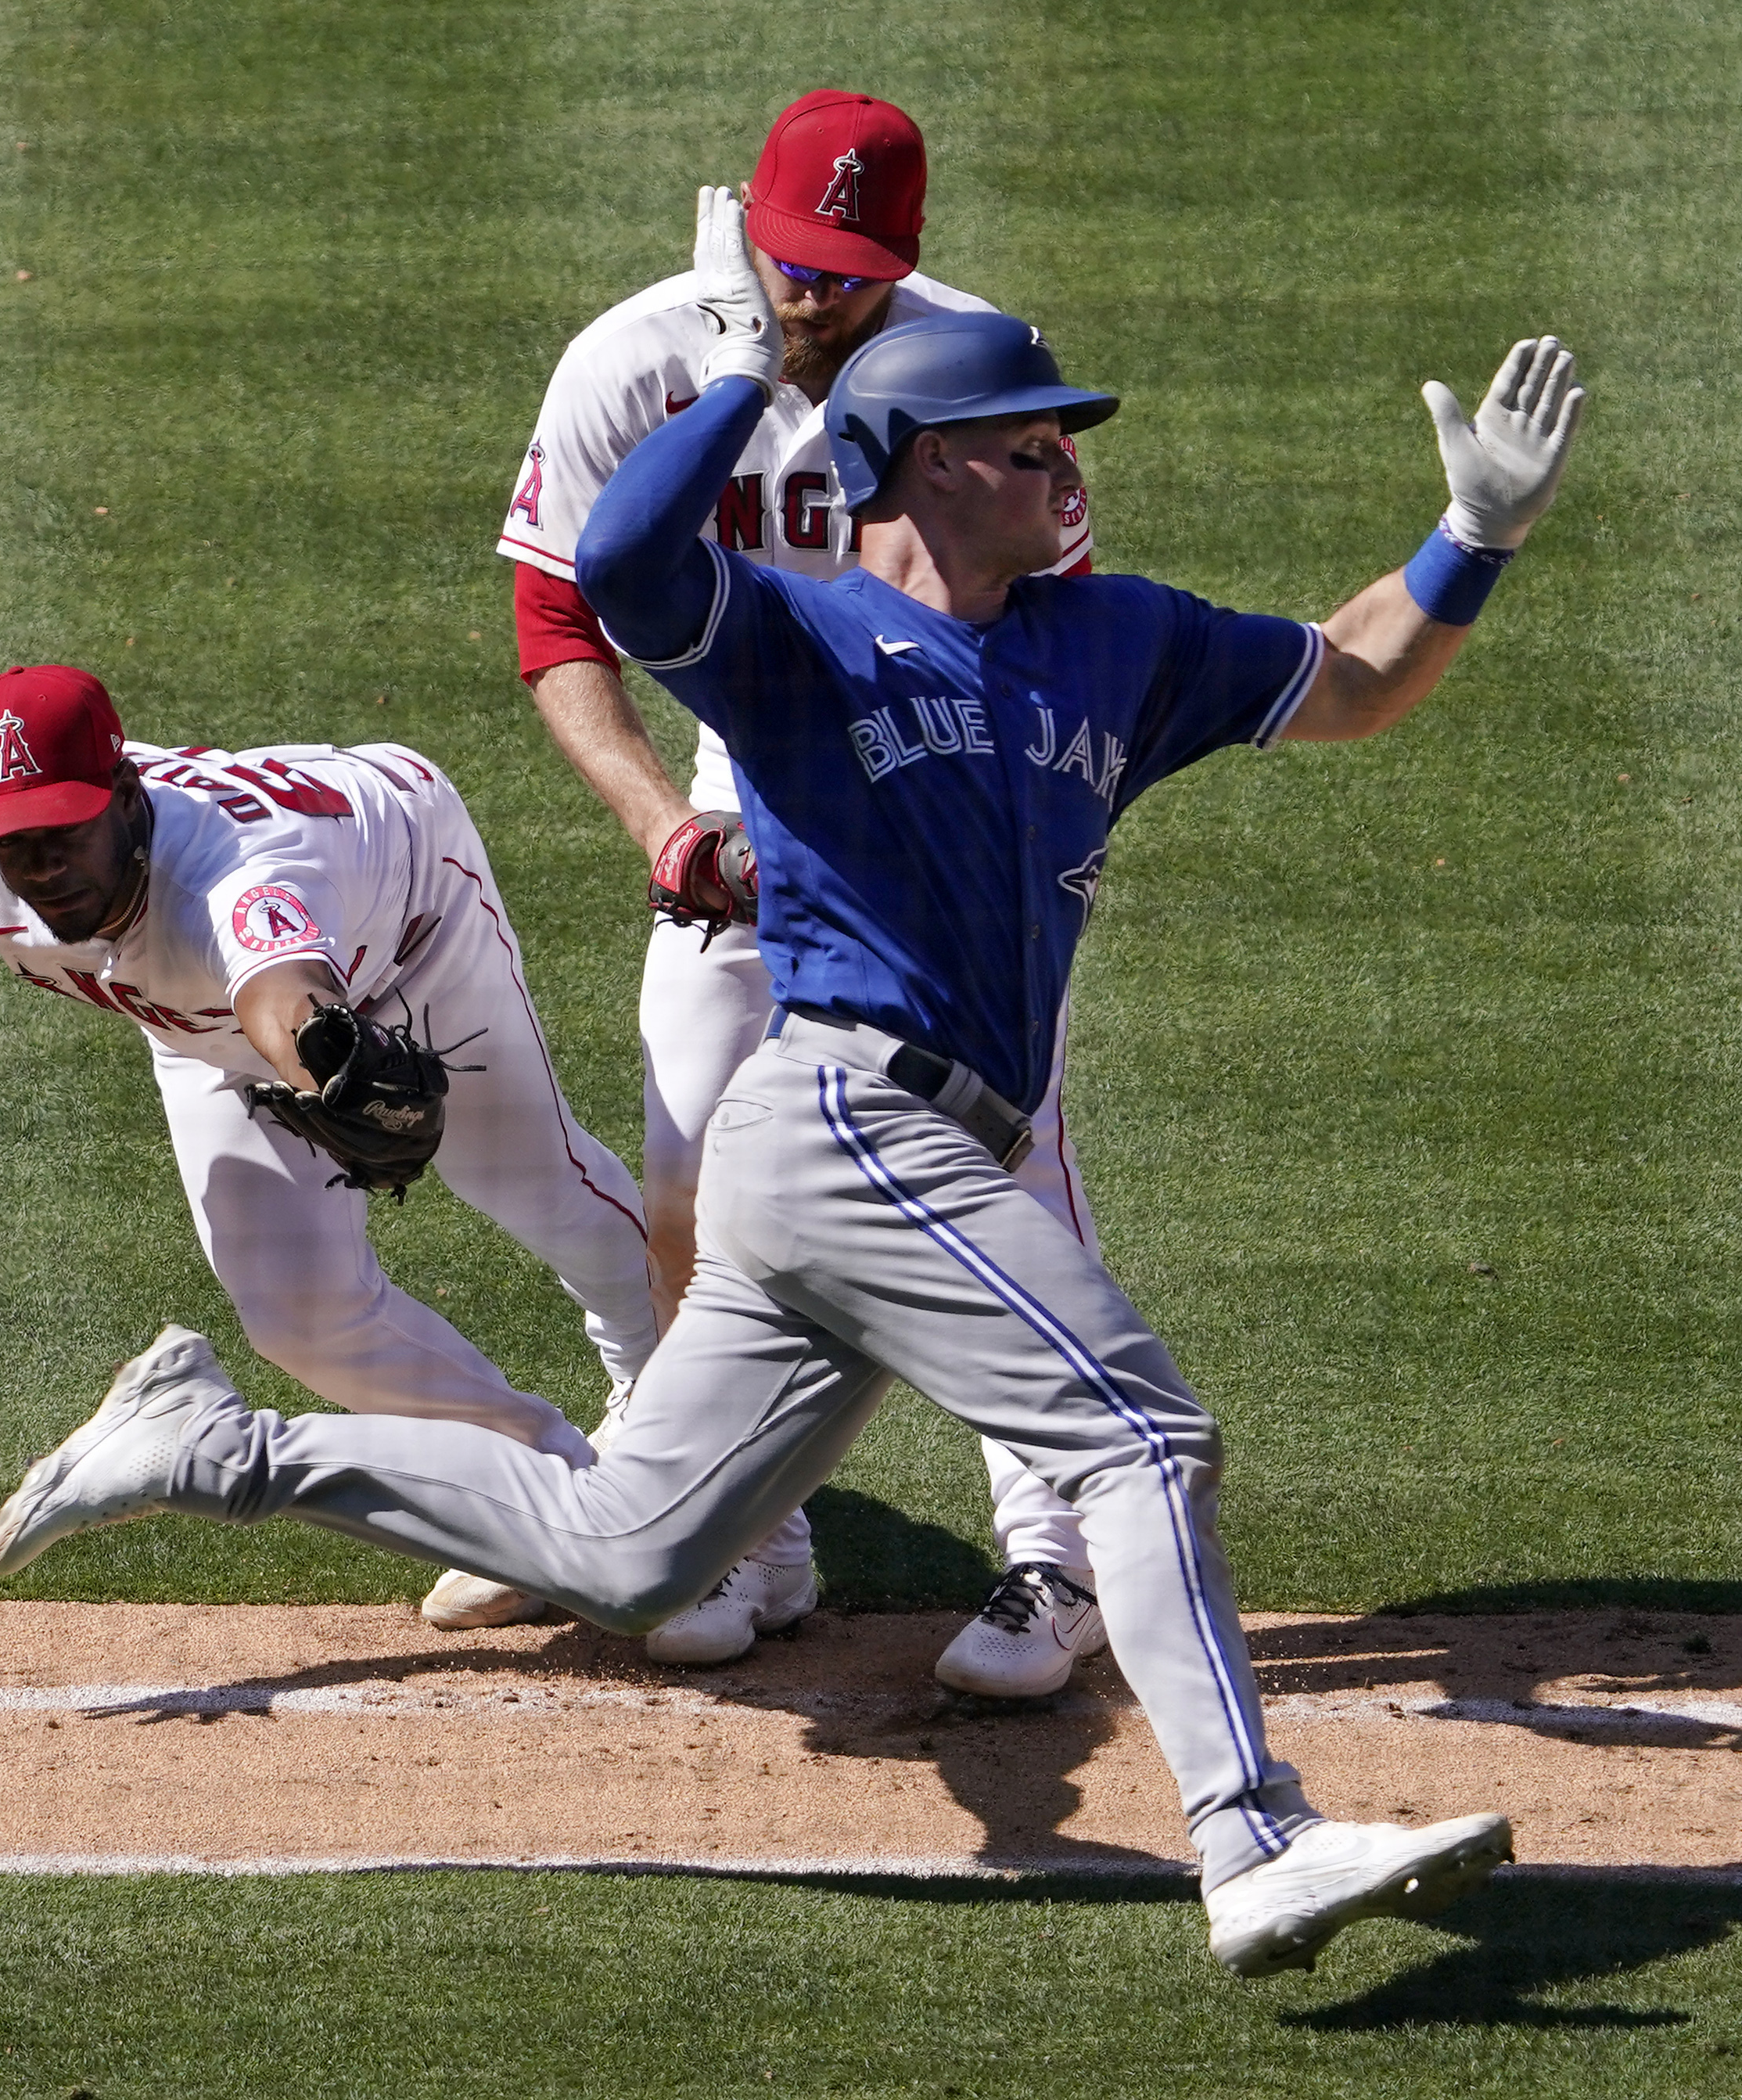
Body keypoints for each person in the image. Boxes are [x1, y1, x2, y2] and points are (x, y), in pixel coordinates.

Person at [0, 191, 1582, 1976]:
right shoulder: (802, 641)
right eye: (1024, 436)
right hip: (846, 1122)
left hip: (865, 1155)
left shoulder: (1114, 639)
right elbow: (622, 574)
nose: (1066, 459)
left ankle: (216, 1445)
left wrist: (1472, 536)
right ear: (916, 462)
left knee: (631, 1552)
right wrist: (739, 387)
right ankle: (1255, 1839)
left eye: (1064, 434)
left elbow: (1351, 678)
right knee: (1137, 1432)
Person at [492, 88, 1112, 1681]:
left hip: (943, 786)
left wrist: (982, 834)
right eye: (795, 262)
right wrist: (663, 830)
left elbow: (1053, 633)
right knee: (688, 1179)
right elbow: (557, 625)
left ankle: (1058, 1559)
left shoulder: (980, 373)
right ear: (750, 230)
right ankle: (748, 1537)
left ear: (905, 257)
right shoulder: (634, 365)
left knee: (1000, 1169)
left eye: (851, 272)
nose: (816, 296)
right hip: (737, 781)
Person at [0, 665, 654, 1510]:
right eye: (17, 845)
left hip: (407, 923)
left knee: (536, 1186)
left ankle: (718, 1496)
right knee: (299, 1314)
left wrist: (321, 1064)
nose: (42, 872)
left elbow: (279, 983)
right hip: (200, 1021)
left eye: (66, 833)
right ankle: (542, 1485)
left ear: (129, 795)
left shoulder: (239, 873)